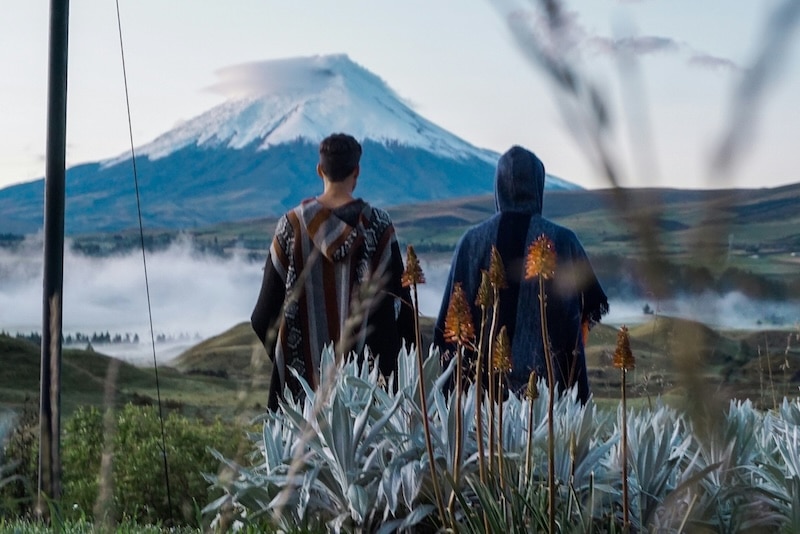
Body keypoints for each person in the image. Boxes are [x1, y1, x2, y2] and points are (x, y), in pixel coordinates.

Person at [251, 133, 414, 410]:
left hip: (302, 408)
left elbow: (262, 316)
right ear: (357, 171)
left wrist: (293, 366)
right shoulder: (379, 227)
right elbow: (403, 315)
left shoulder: (290, 228)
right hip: (370, 405)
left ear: (319, 170)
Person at [434, 146, 608, 403]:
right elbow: (586, 313)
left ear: (498, 188)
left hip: (476, 403)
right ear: (539, 186)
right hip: (546, 400)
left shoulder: (470, 242)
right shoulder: (563, 240)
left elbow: (448, 328)